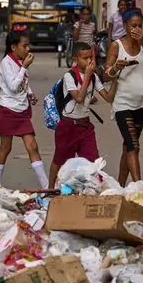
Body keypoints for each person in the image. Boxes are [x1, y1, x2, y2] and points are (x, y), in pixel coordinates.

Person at [48, 42, 119, 188]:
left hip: (85, 126)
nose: (88, 61)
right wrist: (87, 75)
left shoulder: (93, 77)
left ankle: (94, 189)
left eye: (90, 58)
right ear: (75, 59)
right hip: (68, 125)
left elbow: (108, 98)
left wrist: (117, 78)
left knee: (93, 162)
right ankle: (50, 189)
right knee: (60, 160)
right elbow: (79, 98)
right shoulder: (70, 76)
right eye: (84, 58)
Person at [105, 8, 143, 185]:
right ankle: (140, 185)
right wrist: (117, 67)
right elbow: (106, 75)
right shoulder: (117, 46)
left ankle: (121, 186)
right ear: (125, 26)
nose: (136, 29)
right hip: (123, 104)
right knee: (134, 147)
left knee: (128, 146)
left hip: (141, 104)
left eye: (139, 26)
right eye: (133, 26)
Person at [0, 31, 48, 188]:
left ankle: (46, 185)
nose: (28, 49)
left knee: (32, 146)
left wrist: (30, 93)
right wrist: (24, 67)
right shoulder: (7, 63)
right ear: (13, 47)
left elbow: (23, 84)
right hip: (8, 110)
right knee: (5, 148)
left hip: (21, 110)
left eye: (28, 45)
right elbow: (14, 86)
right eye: (24, 46)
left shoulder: (20, 62)